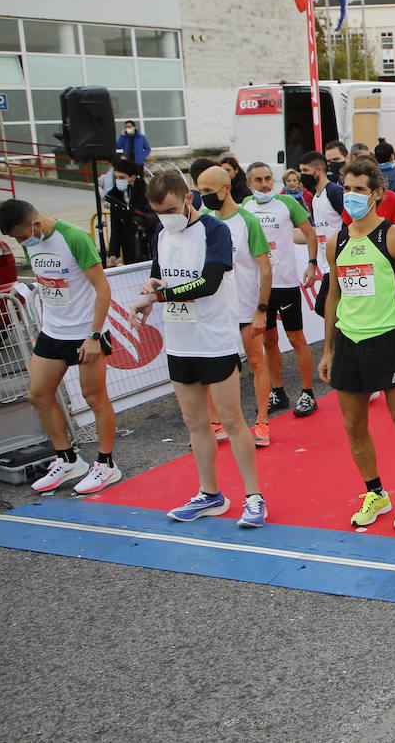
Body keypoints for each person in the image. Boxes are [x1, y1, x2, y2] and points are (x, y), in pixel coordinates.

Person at [128, 172, 265, 527]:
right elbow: (161, 275)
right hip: (179, 342)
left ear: (187, 198)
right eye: (158, 211)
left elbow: (209, 282)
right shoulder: (161, 233)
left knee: (233, 422)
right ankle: (210, 494)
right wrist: (151, 288)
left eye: (170, 209)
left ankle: (254, 497)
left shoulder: (214, 230)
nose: (165, 217)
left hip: (214, 339)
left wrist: (157, 296)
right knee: (195, 423)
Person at [318, 158, 395, 529]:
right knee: (353, 425)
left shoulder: (393, 236)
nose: (350, 196)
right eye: (346, 189)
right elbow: (334, 296)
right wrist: (329, 349)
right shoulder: (336, 242)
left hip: (389, 341)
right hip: (349, 342)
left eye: (359, 190)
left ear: (377, 194)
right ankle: (376, 493)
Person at [0, 200, 120, 495]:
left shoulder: (74, 237)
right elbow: (46, 287)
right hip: (52, 332)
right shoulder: (31, 244)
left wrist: (93, 335)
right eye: (16, 239)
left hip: (85, 333)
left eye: (22, 236)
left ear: (36, 223)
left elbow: (102, 288)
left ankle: (106, 464)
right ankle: (67, 459)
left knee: (95, 397)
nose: (21, 243)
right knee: (38, 394)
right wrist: (39, 328)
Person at [196, 166, 274, 446]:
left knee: (256, 362)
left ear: (226, 188)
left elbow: (265, 268)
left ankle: (262, 422)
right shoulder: (202, 220)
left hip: (245, 308)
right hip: (216, 309)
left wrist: (261, 309)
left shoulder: (247, 222)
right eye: (200, 191)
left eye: (208, 191)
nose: (203, 197)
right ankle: (216, 423)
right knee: (213, 368)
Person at [245, 161, 320, 418]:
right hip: (259, 287)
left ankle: (308, 392)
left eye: (268, 179)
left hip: (285, 283)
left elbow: (310, 234)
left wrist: (312, 264)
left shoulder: (287, 203)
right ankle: (278, 391)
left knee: (296, 338)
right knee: (268, 340)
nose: (265, 184)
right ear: (249, 184)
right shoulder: (245, 207)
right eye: (259, 180)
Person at [299, 151, 343, 320]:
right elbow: (317, 233)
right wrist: (313, 263)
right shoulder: (315, 198)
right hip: (326, 265)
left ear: (318, 170)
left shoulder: (334, 192)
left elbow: (349, 223)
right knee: (328, 309)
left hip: (338, 263)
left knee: (324, 307)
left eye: (305, 171)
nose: (302, 175)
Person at [104, 157, 156, 266]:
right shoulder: (115, 197)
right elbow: (115, 226)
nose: (118, 180)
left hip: (147, 243)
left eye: (122, 177)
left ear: (132, 177)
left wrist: (141, 221)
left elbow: (155, 216)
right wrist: (113, 252)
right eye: (116, 177)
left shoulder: (146, 192)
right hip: (128, 247)